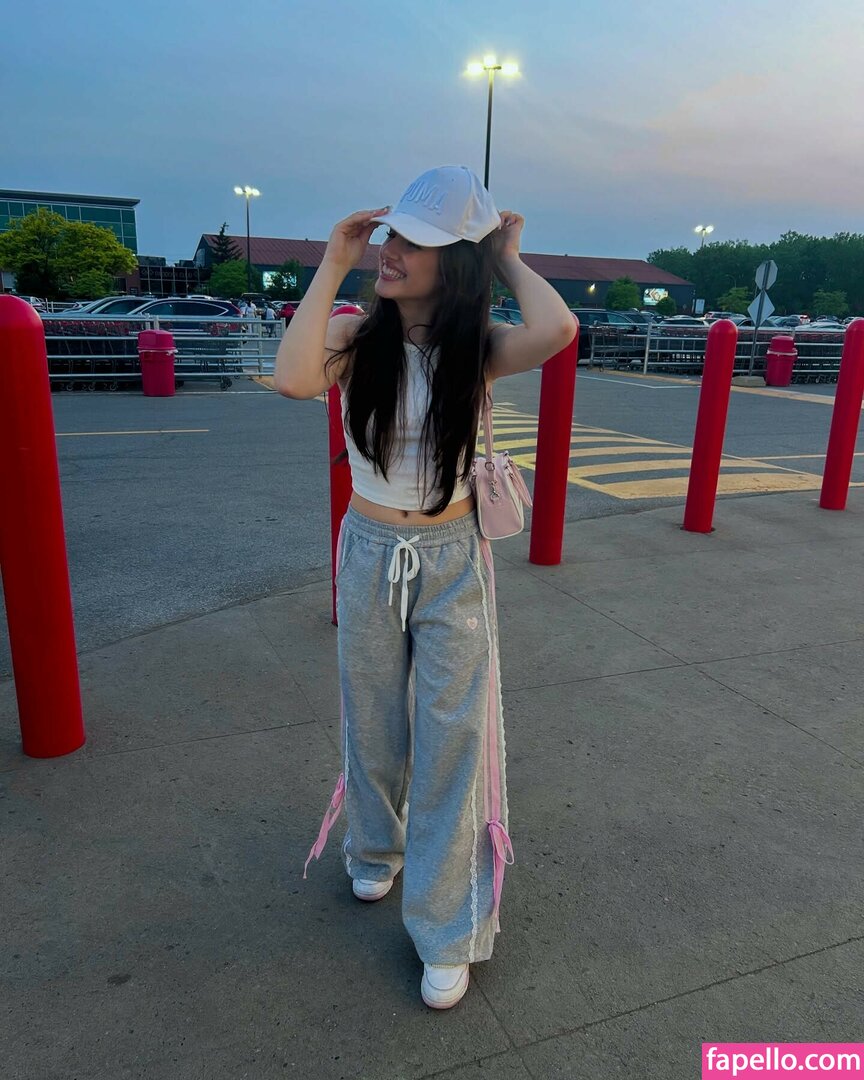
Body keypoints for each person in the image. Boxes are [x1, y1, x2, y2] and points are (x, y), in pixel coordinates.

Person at [274, 165, 575, 1009]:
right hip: (369, 549)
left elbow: (558, 328)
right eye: (394, 234)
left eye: (417, 241)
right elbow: (293, 378)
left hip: (452, 558)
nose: (393, 250)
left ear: (458, 263)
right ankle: (374, 849)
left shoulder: (478, 349)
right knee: (371, 716)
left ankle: (445, 927)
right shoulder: (350, 334)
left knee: (452, 742)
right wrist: (333, 262)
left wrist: (507, 256)